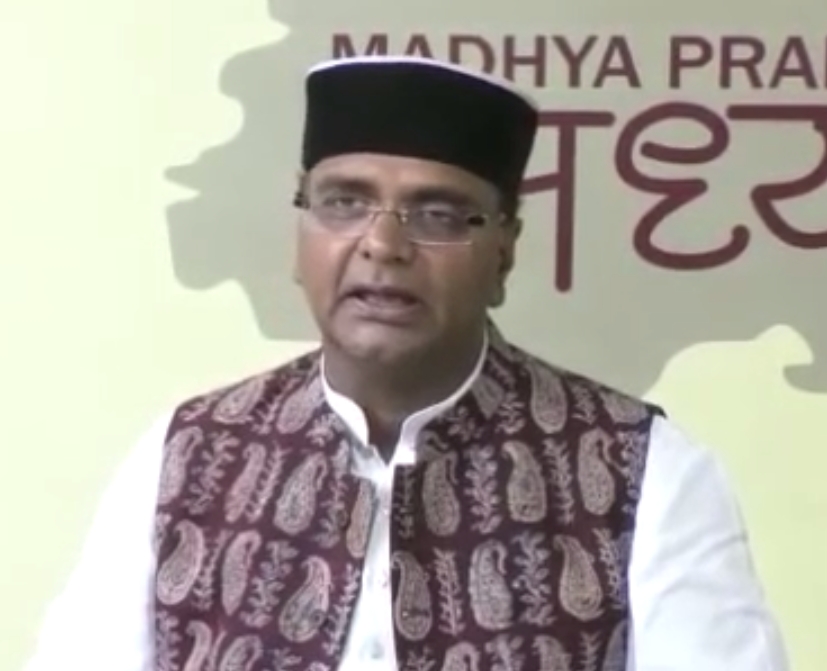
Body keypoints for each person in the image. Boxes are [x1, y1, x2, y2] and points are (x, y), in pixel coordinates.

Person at [24, 56, 787, 671]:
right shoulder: (187, 453)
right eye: (343, 202)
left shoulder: (642, 469)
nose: (383, 245)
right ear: (300, 235)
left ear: (503, 252)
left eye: (438, 214)